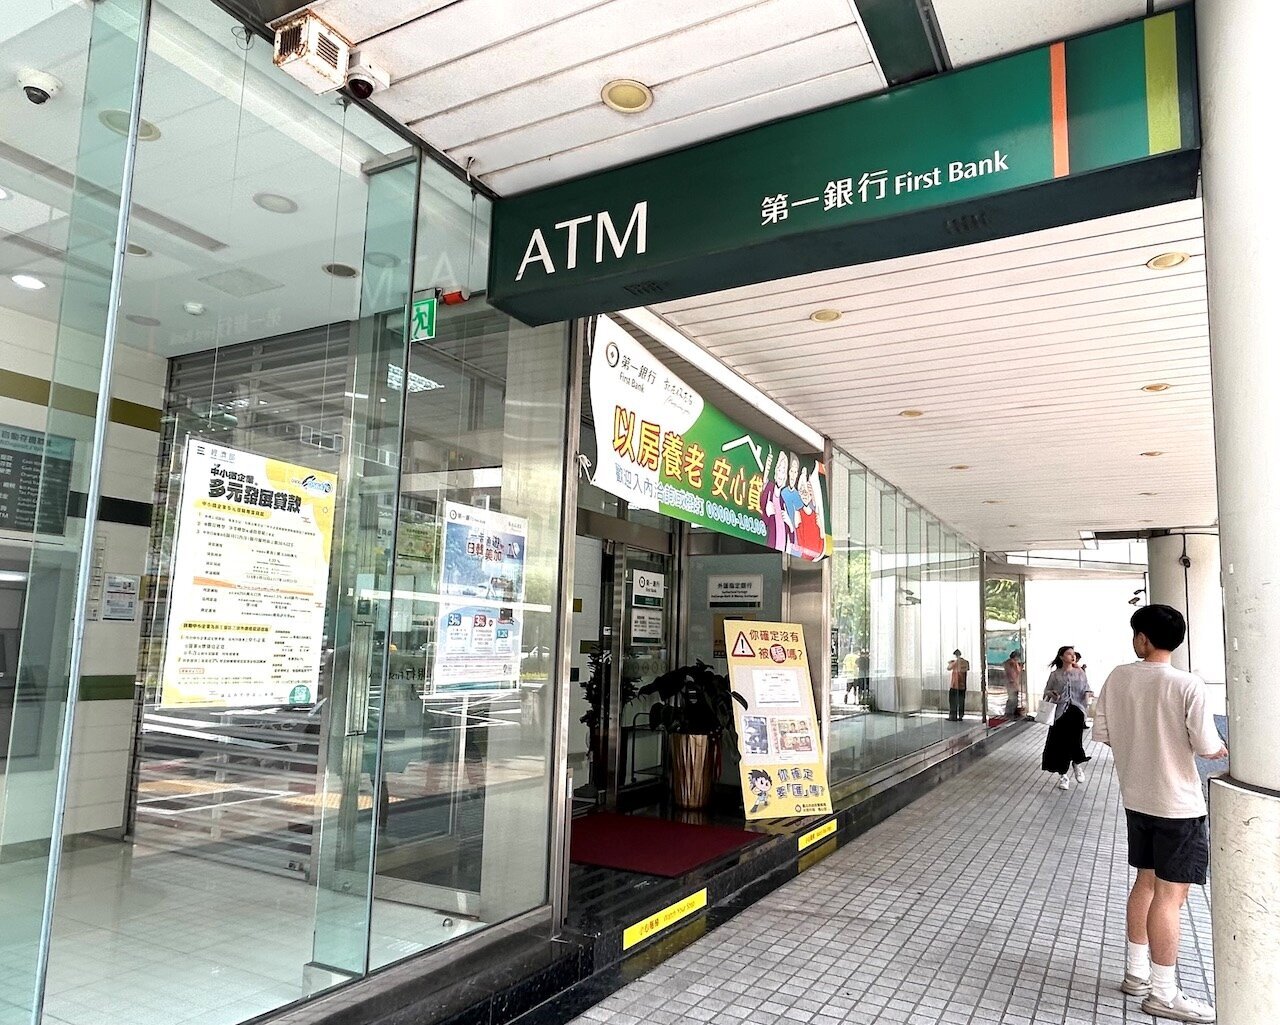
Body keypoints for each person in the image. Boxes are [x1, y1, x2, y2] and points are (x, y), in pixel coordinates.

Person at [1093, 605, 1227, 1024]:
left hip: (1137, 800)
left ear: (1142, 638)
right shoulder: (1187, 684)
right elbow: (1206, 745)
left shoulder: (1118, 677)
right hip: (1178, 806)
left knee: (1146, 882)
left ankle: (1136, 973)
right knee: (1170, 897)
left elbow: (1103, 734)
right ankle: (1164, 993)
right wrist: (1218, 750)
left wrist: (1140, 748)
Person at [1041, 645, 1092, 790]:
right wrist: (1052, 694)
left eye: (1073, 654)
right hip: (1060, 712)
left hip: (1077, 710)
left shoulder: (1080, 673)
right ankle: (1063, 775)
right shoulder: (1055, 674)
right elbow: (1047, 690)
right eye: (1069, 654)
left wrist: (1087, 697)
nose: (1072, 656)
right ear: (1061, 657)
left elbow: (1087, 688)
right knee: (1060, 743)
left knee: (1075, 740)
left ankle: (1076, 764)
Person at [946, 649, 969, 721]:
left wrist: (950, 662)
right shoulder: (966, 662)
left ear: (956, 655)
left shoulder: (955, 662)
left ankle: (953, 716)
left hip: (955, 685)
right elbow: (967, 669)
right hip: (963, 685)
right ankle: (961, 716)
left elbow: (948, 668)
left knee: (953, 701)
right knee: (961, 701)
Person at [1003, 649, 1024, 718]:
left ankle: (1010, 712)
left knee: (1012, 698)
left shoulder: (1008, 663)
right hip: (1013, 683)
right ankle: (1010, 712)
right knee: (1013, 698)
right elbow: (1016, 671)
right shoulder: (1012, 663)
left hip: (1011, 682)